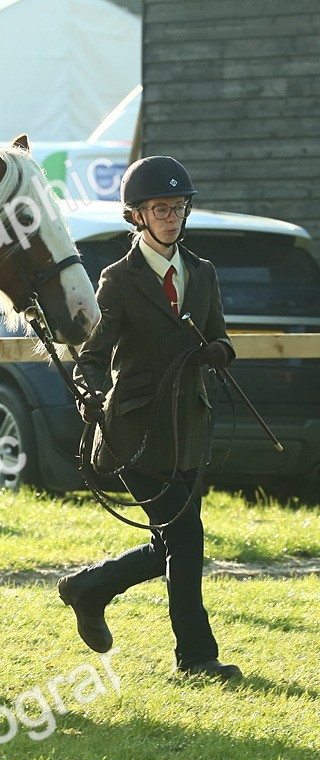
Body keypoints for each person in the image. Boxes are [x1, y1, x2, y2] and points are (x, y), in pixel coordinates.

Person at [57, 156, 243, 681]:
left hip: (190, 430)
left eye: (178, 207)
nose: (171, 217)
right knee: (186, 539)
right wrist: (89, 389)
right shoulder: (118, 280)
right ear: (137, 216)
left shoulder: (202, 274)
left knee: (175, 540)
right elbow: (91, 357)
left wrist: (219, 353)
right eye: (160, 209)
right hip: (133, 435)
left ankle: (90, 588)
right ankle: (197, 658)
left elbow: (221, 335)